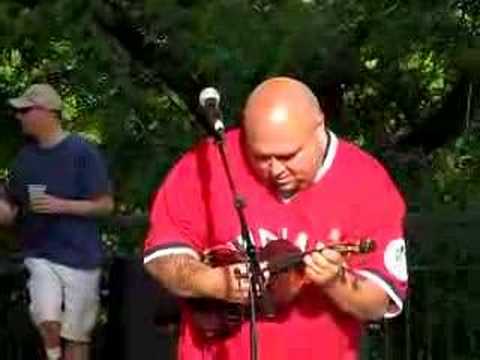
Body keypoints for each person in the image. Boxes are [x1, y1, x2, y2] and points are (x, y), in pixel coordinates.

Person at [143, 77, 408, 360]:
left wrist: (336, 282)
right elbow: (162, 258)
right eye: (260, 157)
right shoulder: (207, 162)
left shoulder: (367, 182)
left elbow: (379, 302)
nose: (275, 170)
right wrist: (213, 282)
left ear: (319, 128)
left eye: (288, 156)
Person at [0, 83, 114, 360]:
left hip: (81, 256)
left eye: (24, 110)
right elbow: (10, 211)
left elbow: (106, 205)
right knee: (46, 319)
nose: (19, 116)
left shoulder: (83, 152)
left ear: (46, 112)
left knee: (77, 337)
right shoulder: (24, 160)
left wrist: (63, 205)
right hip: (40, 255)